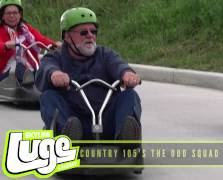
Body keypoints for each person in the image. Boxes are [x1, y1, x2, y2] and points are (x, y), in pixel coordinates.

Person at [35, 7, 142, 140]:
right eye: (83, 32)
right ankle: (67, 139)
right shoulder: (56, 57)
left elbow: (118, 64)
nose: (90, 35)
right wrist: (54, 74)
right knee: (48, 96)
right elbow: (47, 67)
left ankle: (126, 139)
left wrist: (126, 74)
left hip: (106, 120)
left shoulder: (105, 54)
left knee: (129, 95)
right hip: (73, 122)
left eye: (93, 31)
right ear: (67, 36)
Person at [0, 0, 61, 85]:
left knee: (44, 72)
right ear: (2, 16)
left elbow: (40, 39)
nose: (12, 16)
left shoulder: (26, 29)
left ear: (20, 14)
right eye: (8, 13)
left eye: (15, 12)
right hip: (5, 72)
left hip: (29, 68)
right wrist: (6, 45)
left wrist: (55, 45)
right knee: (19, 67)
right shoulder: (1, 30)